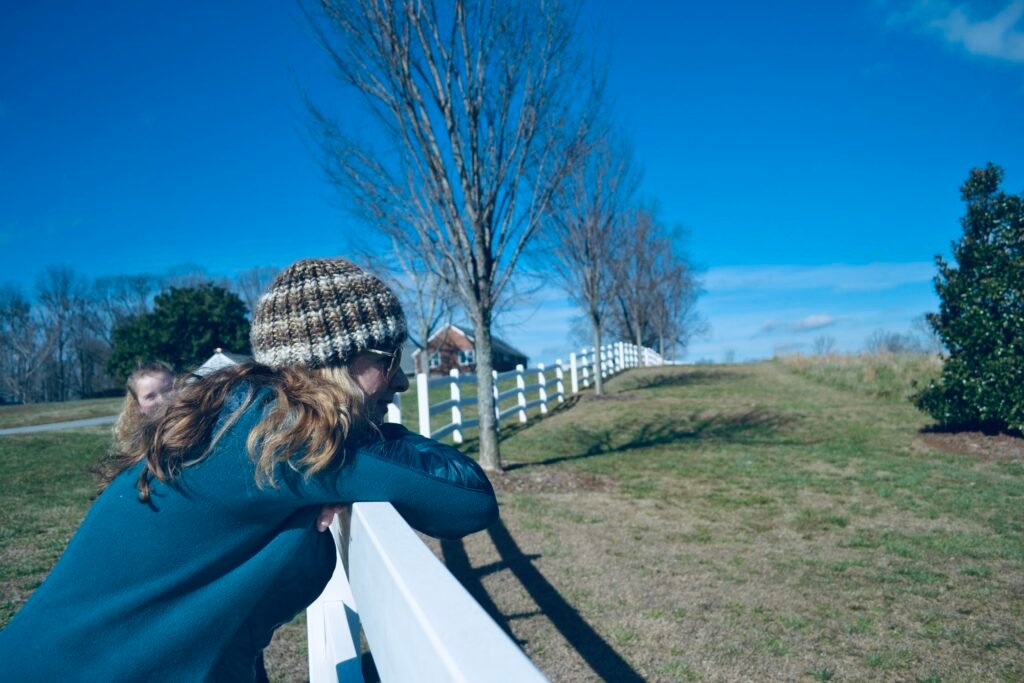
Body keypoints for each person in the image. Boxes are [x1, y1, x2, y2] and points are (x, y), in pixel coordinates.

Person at [0, 258, 499, 681]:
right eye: (390, 359)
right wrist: (377, 440)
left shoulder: (242, 416)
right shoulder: (290, 439)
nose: (401, 382)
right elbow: (467, 500)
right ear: (338, 362)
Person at [111, 360, 177, 454]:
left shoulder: (200, 420)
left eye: (167, 390)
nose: (162, 400)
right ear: (138, 406)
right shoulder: (140, 447)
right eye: (150, 397)